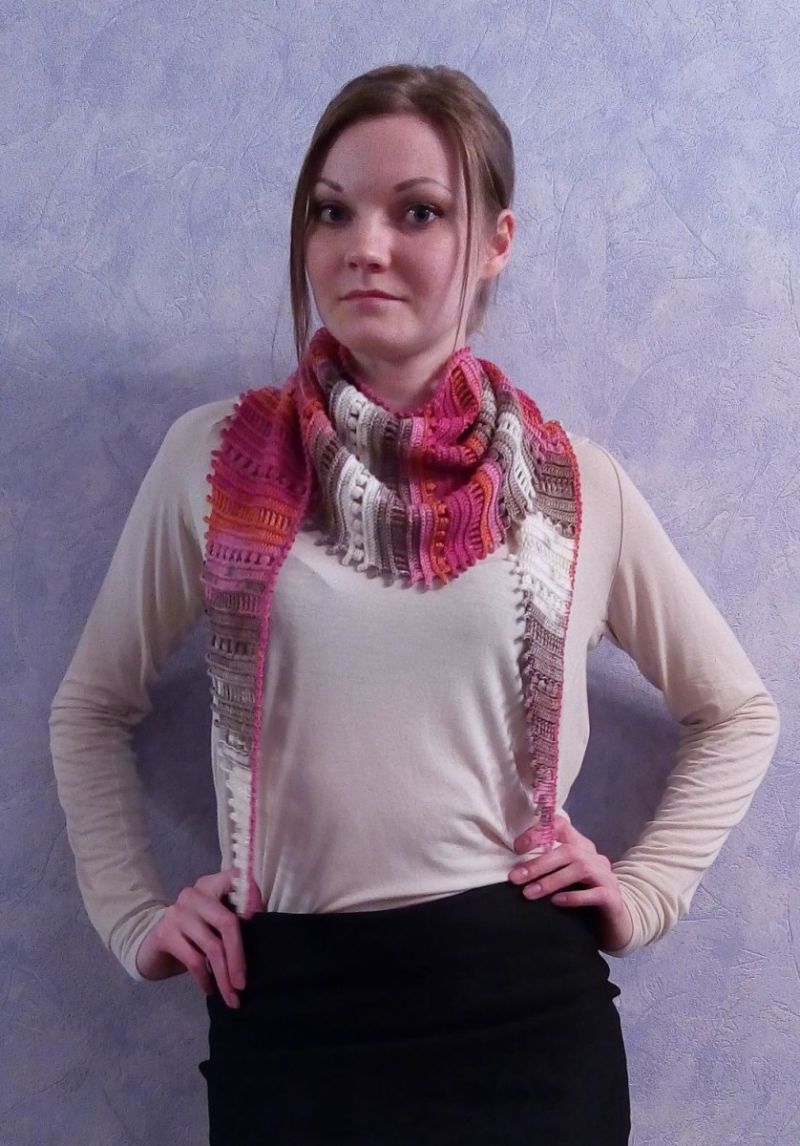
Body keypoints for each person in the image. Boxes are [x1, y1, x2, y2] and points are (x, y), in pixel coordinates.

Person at [50, 63, 780, 1145]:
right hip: (291, 1018)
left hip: (526, 1021)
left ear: (494, 242)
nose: (364, 246)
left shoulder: (575, 487)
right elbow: (91, 706)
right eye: (331, 210)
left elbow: (737, 712)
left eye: (418, 212)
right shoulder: (213, 461)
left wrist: (644, 893)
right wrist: (133, 917)